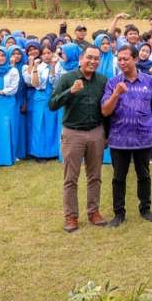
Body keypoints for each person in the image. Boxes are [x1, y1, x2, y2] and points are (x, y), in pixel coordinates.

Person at [100, 45, 152, 227]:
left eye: (125, 59)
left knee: (144, 175)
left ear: (135, 59)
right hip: (119, 139)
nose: (122, 62)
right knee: (118, 177)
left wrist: (148, 120)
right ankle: (118, 213)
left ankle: (145, 209)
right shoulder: (113, 83)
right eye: (119, 59)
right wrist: (116, 94)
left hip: (143, 139)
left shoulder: (150, 81)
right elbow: (105, 111)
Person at [50, 45, 109, 232]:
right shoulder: (67, 78)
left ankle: (94, 212)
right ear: (81, 59)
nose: (93, 61)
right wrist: (70, 92)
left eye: (96, 58)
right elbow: (52, 104)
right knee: (70, 178)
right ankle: (71, 216)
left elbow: (106, 109)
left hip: (96, 132)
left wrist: (106, 134)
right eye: (89, 58)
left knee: (95, 176)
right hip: (73, 133)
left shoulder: (102, 80)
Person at [23, 45, 62, 161]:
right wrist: (34, 67)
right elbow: (34, 84)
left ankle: (53, 152)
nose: (46, 55)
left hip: (54, 96)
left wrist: (53, 67)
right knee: (39, 124)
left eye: (49, 52)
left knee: (52, 124)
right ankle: (39, 153)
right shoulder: (39, 67)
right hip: (40, 97)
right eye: (44, 53)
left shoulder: (58, 66)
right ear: (41, 55)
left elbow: (56, 83)